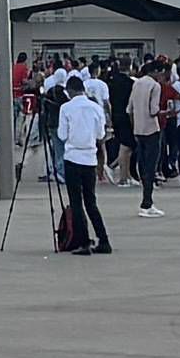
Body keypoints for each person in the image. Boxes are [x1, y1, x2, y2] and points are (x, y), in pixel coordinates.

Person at [49, 70, 113, 255]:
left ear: (69, 91)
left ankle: (83, 242)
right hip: (90, 159)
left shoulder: (66, 108)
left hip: (72, 158)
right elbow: (101, 135)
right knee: (91, 202)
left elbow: (61, 135)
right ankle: (104, 240)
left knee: (76, 203)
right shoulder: (95, 108)